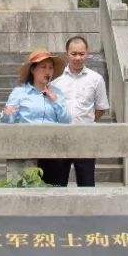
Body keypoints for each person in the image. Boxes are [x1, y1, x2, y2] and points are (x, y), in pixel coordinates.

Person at [2, 50, 71, 184]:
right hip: (26, 148)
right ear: (33, 69)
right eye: (43, 67)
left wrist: (55, 101)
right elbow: (7, 121)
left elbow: (66, 121)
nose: (48, 71)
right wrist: (7, 114)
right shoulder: (19, 93)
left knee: (54, 191)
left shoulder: (57, 93)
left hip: (53, 148)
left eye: (50, 68)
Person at [49, 35, 109, 187]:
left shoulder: (96, 79)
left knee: (87, 183)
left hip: (85, 137)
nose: (77, 58)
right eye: (73, 54)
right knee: (58, 183)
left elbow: (100, 108)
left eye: (81, 54)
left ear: (87, 54)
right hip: (60, 137)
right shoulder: (56, 79)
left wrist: (85, 121)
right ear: (66, 54)